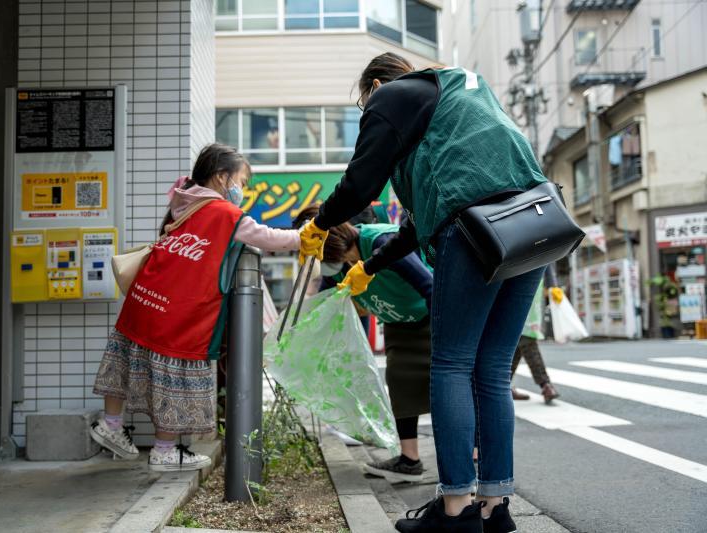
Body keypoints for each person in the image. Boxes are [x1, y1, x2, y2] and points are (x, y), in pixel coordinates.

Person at [298, 52, 549, 533]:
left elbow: (360, 184)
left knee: (452, 363)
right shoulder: (455, 102)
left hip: (475, 227)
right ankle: (496, 509)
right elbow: (412, 228)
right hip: (533, 222)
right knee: (492, 370)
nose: (369, 115)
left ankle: (455, 511)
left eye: (363, 105)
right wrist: (368, 267)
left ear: (375, 85)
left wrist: (322, 221)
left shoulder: (391, 96)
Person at [90, 144, 300, 472]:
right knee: (174, 378)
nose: (242, 191)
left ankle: (111, 424)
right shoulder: (224, 214)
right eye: (241, 182)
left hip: (144, 300)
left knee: (126, 361)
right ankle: (163, 450)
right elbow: (267, 237)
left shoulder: (183, 200)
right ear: (221, 177)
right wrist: (305, 237)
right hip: (179, 312)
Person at [295, 205, 432, 483]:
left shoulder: (382, 242)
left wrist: (446, 335)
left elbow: (431, 286)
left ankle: (471, 460)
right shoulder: (339, 264)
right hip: (399, 322)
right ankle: (409, 460)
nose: (329, 268)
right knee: (401, 387)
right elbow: (328, 306)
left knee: (445, 390)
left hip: (432, 317)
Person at [510, 267, 562, 404]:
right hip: (523, 279)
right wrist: (552, 284)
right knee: (524, 337)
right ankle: (545, 385)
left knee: (522, 337)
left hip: (521, 278)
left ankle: (502, 385)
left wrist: (552, 285)